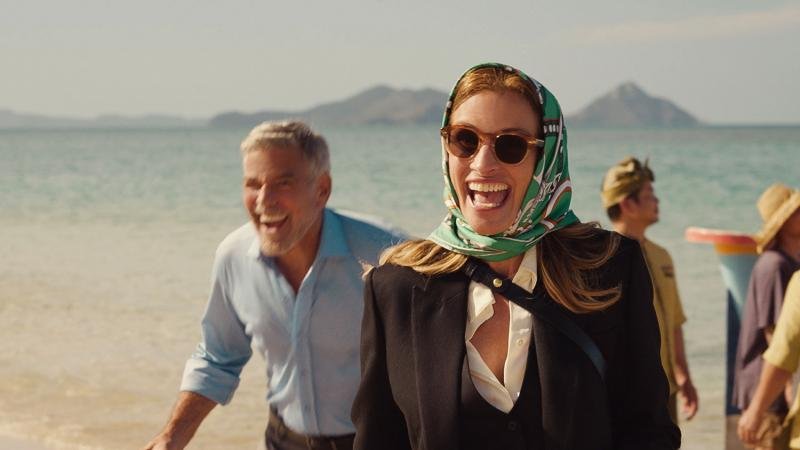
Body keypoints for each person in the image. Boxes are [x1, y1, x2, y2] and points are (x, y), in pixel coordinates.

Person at [351, 63, 680, 450]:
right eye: (465, 140)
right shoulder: (396, 288)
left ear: (546, 157)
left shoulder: (610, 269)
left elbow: (648, 431)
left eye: (511, 145)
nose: (483, 164)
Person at [143, 121, 404, 450]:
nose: (265, 200)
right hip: (283, 440)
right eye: (253, 184)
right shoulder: (233, 257)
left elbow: (433, 364)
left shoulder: (386, 255)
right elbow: (218, 358)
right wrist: (173, 436)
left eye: (283, 183)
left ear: (322, 189)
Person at [600, 157, 699, 424]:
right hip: (627, 393)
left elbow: (674, 322)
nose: (657, 201)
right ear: (627, 204)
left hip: (667, 388)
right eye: (649, 195)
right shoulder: (603, 259)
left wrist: (684, 377)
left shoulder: (662, 256)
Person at [734, 183, 800, 449]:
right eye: (797, 211)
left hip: (776, 385)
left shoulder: (790, 262)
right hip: (769, 392)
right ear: (783, 222)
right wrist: (789, 387)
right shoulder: (775, 265)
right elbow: (775, 335)